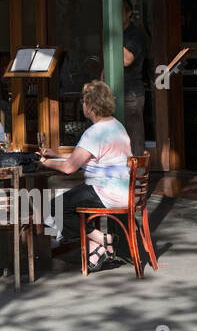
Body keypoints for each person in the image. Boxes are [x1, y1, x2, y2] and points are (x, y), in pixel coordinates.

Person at [39, 80, 132, 272]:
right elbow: (86, 155)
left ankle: (101, 239)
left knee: (55, 207)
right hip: (124, 191)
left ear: (90, 106)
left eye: (83, 101)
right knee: (70, 202)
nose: (82, 105)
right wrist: (56, 154)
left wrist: (44, 162)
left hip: (105, 192)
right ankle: (96, 251)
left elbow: (68, 168)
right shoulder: (116, 126)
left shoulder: (94, 132)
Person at [122, 0, 148, 159]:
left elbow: (126, 60)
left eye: (119, 12)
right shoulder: (119, 35)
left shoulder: (136, 34)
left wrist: (114, 35)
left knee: (134, 138)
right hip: (112, 93)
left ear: (129, 13)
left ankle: (137, 179)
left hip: (132, 93)